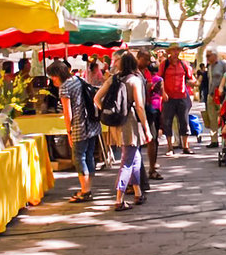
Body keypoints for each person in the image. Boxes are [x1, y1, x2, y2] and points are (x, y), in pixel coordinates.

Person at [95, 51, 151, 211]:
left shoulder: (113, 78)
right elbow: (139, 106)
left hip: (116, 123)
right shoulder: (135, 80)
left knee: (136, 158)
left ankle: (138, 193)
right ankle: (119, 199)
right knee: (127, 161)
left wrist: (111, 113)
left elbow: (96, 99)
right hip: (130, 124)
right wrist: (146, 128)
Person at [50, 61, 101, 204]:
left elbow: (68, 112)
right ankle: (87, 188)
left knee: (78, 158)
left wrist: (69, 131)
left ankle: (85, 191)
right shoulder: (78, 79)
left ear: (57, 75)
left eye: (52, 76)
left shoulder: (64, 87)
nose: (51, 79)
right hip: (91, 123)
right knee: (89, 155)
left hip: (79, 126)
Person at [160, 43, 195, 156]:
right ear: (169, 52)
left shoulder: (184, 64)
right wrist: (163, 93)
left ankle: (186, 146)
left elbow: (191, 78)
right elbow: (159, 79)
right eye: (173, 50)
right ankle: (170, 147)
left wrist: (193, 82)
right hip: (168, 98)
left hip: (182, 97)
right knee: (167, 122)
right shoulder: (164, 64)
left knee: (184, 121)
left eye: (177, 50)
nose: (176, 52)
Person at [136, 49, 163, 180]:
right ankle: (138, 173)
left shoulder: (145, 72)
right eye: (145, 59)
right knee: (137, 143)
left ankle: (152, 168)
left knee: (152, 138)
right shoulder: (133, 72)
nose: (148, 62)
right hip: (136, 110)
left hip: (148, 107)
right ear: (138, 57)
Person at [203, 49, 226, 149]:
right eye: (206, 56)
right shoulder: (209, 66)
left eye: (208, 56)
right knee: (212, 118)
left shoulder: (222, 64)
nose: (207, 58)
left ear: (214, 55)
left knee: (224, 117)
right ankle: (214, 140)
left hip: (221, 95)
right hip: (211, 94)